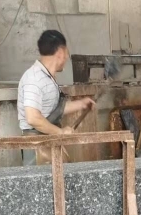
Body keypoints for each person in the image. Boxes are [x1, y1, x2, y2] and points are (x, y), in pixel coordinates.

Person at [17, 30, 94, 165]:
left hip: (48, 141)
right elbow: (33, 118)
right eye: (66, 53)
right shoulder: (34, 78)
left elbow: (52, 110)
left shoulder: (46, 78)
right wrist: (60, 132)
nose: (66, 57)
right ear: (60, 53)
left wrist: (81, 104)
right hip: (37, 147)